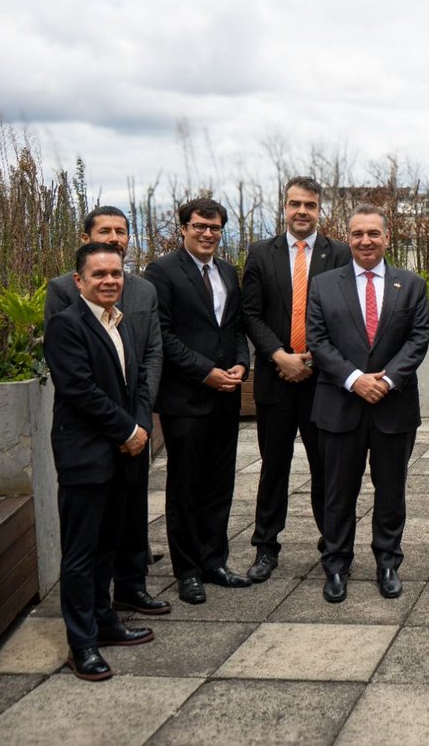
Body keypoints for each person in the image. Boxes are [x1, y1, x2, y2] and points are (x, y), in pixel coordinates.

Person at [44, 206, 169, 616]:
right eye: (105, 231)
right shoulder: (65, 300)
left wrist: (141, 421)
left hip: (133, 431)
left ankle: (126, 594)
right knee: (87, 543)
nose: (115, 238)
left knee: (126, 521)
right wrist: (124, 428)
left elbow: (149, 358)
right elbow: (76, 380)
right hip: (92, 438)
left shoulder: (139, 297)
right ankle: (87, 631)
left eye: (121, 231)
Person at [307, 205, 429, 602]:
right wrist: (355, 380)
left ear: (387, 238)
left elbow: (419, 338)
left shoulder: (411, 284)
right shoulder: (324, 285)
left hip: (394, 407)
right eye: (358, 233)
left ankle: (388, 562)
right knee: (337, 492)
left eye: (373, 233)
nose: (365, 241)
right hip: (340, 404)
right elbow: (317, 341)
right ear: (348, 238)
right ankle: (336, 564)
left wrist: (388, 380)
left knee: (391, 491)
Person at [240, 176, 351, 582]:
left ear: (320, 210)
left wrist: (315, 358)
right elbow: (250, 314)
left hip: (324, 383)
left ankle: (333, 547)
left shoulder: (339, 254)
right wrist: (279, 355)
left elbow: (345, 314)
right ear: (284, 207)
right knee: (274, 467)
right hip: (276, 379)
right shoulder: (260, 254)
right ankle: (265, 547)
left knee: (327, 469)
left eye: (310, 205)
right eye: (294, 204)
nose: (302, 211)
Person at [144, 198, 251, 605]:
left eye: (215, 227)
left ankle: (214, 562)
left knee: (220, 483)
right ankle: (187, 570)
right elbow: (163, 334)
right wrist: (205, 371)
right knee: (186, 486)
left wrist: (241, 364)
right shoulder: (162, 271)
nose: (208, 233)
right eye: (200, 226)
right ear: (184, 228)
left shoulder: (226, 271)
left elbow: (235, 328)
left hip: (226, 396)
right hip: (186, 398)